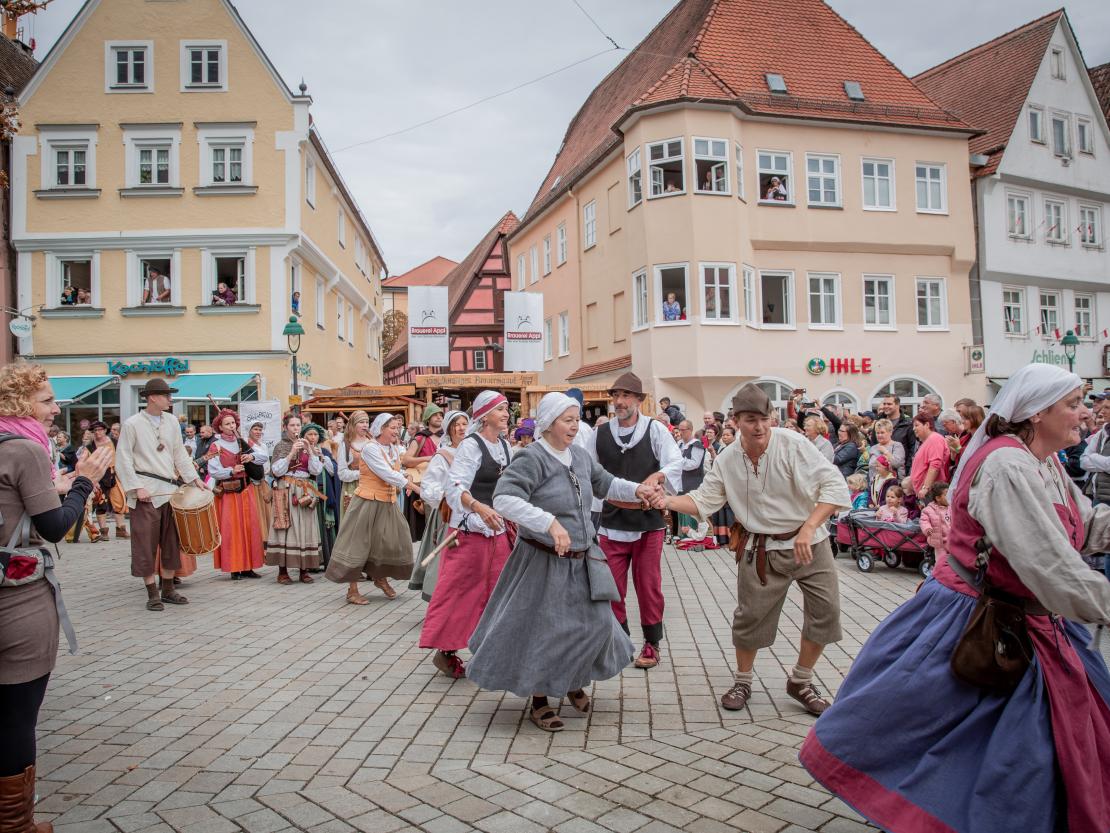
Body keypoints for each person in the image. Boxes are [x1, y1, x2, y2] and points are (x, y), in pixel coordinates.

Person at [800, 363, 1110, 833]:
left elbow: (1080, 528)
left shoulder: (1041, 462)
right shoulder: (1006, 465)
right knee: (999, 751)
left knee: (1015, 746)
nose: (1085, 413)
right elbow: (1049, 568)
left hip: (1026, 622)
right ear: (1038, 412)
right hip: (977, 620)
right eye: (1073, 404)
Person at [650, 382, 850, 715]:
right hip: (761, 548)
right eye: (749, 419)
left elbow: (833, 484)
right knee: (750, 619)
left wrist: (810, 526)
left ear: (771, 417)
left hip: (809, 544)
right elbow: (704, 500)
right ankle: (743, 680)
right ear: (736, 421)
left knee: (825, 614)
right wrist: (667, 499)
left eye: (763, 418)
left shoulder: (793, 444)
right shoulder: (728, 459)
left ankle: (801, 680)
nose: (758, 426)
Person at [468, 393, 656, 731]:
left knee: (595, 625)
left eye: (576, 418)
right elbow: (504, 498)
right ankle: (540, 697)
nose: (574, 425)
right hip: (544, 562)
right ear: (549, 423)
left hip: (583, 561)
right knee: (547, 632)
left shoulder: (580, 457)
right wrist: (548, 522)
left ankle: (570, 681)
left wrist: (638, 490)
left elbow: (607, 484)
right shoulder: (531, 458)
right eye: (567, 419)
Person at [0, 363, 112, 833]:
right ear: (18, 403)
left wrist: (54, 487)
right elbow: (54, 527)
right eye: (46, 399)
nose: (56, 407)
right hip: (16, 600)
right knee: (15, 717)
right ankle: (16, 823)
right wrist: (83, 481)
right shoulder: (25, 449)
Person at [590, 373, 683, 670]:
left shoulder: (656, 430)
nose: (619, 402)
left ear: (640, 401)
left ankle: (652, 643)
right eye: (615, 396)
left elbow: (675, 461)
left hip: (647, 522)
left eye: (626, 396)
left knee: (649, 585)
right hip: (611, 520)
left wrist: (660, 476)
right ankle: (619, 642)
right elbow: (587, 471)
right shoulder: (600, 434)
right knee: (611, 587)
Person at [419, 391, 514, 679]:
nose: (506, 413)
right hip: (470, 531)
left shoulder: (505, 447)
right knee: (461, 592)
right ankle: (446, 651)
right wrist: (477, 508)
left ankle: (493, 649)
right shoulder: (471, 447)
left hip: (499, 531)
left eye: (507, 408)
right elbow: (455, 487)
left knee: (500, 589)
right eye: (500, 409)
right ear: (484, 416)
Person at [114, 378, 206, 611]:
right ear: (153, 397)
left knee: (170, 542)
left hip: (169, 492)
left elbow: (179, 454)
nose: (170, 399)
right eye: (166, 396)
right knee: (145, 544)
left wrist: (194, 480)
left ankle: (168, 589)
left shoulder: (172, 421)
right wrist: (136, 487)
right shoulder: (132, 424)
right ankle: (151, 592)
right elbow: (122, 458)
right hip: (145, 491)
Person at [325, 412, 413, 604]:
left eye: (397, 428)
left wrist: (413, 473)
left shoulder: (393, 448)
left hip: (387, 500)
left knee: (388, 541)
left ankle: (379, 577)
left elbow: (399, 468)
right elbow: (385, 473)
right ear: (381, 429)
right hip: (366, 499)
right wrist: (411, 485)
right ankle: (352, 589)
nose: (396, 431)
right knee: (358, 543)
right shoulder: (364, 447)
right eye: (392, 428)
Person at [409, 411, 469, 601]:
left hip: (470, 513)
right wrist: (445, 494)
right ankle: (440, 601)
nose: (461, 428)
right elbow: (428, 486)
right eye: (456, 425)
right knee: (445, 559)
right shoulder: (442, 455)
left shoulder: (473, 452)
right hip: (447, 513)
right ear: (449, 429)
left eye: (464, 424)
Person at [264, 413, 324, 585]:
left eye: (298, 425)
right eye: (292, 426)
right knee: (285, 528)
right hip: (286, 489)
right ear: (285, 428)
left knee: (305, 527)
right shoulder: (280, 446)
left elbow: (317, 470)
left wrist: (311, 451)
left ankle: (304, 570)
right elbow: (276, 471)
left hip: (304, 489)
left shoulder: (308, 445)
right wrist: (291, 453)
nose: (296, 429)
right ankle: (282, 571)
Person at [206, 409, 265, 580]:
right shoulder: (215, 446)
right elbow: (214, 471)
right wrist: (231, 470)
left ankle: (248, 567)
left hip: (247, 491)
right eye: (227, 424)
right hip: (230, 494)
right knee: (232, 531)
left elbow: (262, 457)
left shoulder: (244, 441)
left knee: (249, 528)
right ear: (220, 427)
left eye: (233, 423)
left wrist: (250, 459)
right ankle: (234, 567)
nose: (231, 426)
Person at [86, 420, 129, 539]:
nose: (97, 432)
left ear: (105, 430)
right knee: (101, 503)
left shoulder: (115, 442)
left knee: (119, 501)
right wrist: (93, 480)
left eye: (99, 430)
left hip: (114, 474)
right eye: (95, 430)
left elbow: (123, 458)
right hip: (99, 476)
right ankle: (103, 531)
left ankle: (121, 529)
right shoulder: (90, 446)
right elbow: (86, 463)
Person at [909, 412, 947, 499]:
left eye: (916, 425)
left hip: (931, 492)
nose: (914, 429)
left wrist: (925, 487)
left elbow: (935, 465)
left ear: (926, 424)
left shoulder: (935, 439)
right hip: (925, 492)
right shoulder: (926, 441)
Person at [245, 421, 272, 540]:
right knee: (256, 512)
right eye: (255, 429)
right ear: (249, 430)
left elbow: (267, 463)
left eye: (260, 430)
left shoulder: (263, 445)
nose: (258, 432)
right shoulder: (246, 444)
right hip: (252, 482)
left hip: (264, 481)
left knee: (266, 511)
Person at [878, 394, 915, 467]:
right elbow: (874, 444)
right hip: (880, 469)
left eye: (889, 404)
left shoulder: (908, 424)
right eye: (884, 404)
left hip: (900, 469)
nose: (885, 406)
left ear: (897, 405)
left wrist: (908, 469)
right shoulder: (879, 422)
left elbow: (912, 449)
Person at [918, 481, 950, 560]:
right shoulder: (928, 510)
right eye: (947, 495)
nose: (950, 497)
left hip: (952, 540)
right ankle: (940, 571)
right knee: (941, 560)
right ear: (938, 498)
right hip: (940, 542)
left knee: (953, 560)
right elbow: (924, 521)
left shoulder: (951, 508)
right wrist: (927, 529)